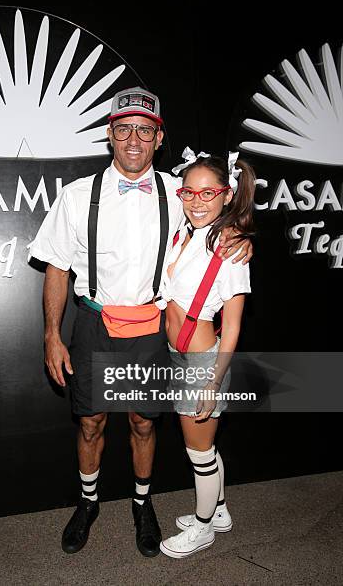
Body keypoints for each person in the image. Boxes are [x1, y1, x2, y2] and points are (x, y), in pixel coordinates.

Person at [29, 87, 252, 557]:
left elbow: (221, 209)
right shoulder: (76, 196)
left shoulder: (181, 190)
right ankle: (88, 503)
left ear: (158, 138)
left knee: (143, 424)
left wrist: (239, 236)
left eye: (145, 130)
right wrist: (52, 334)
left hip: (151, 327)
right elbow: (55, 266)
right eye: (125, 129)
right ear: (110, 135)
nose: (134, 139)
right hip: (92, 323)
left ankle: (142, 503)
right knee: (90, 423)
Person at [158, 149, 255, 558]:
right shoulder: (186, 231)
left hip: (202, 363)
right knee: (206, 447)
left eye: (208, 193)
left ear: (227, 195)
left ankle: (202, 529)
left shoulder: (230, 248)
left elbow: (232, 326)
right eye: (189, 193)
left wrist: (214, 381)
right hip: (177, 354)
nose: (197, 201)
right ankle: (218, 511)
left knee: (198, 451)